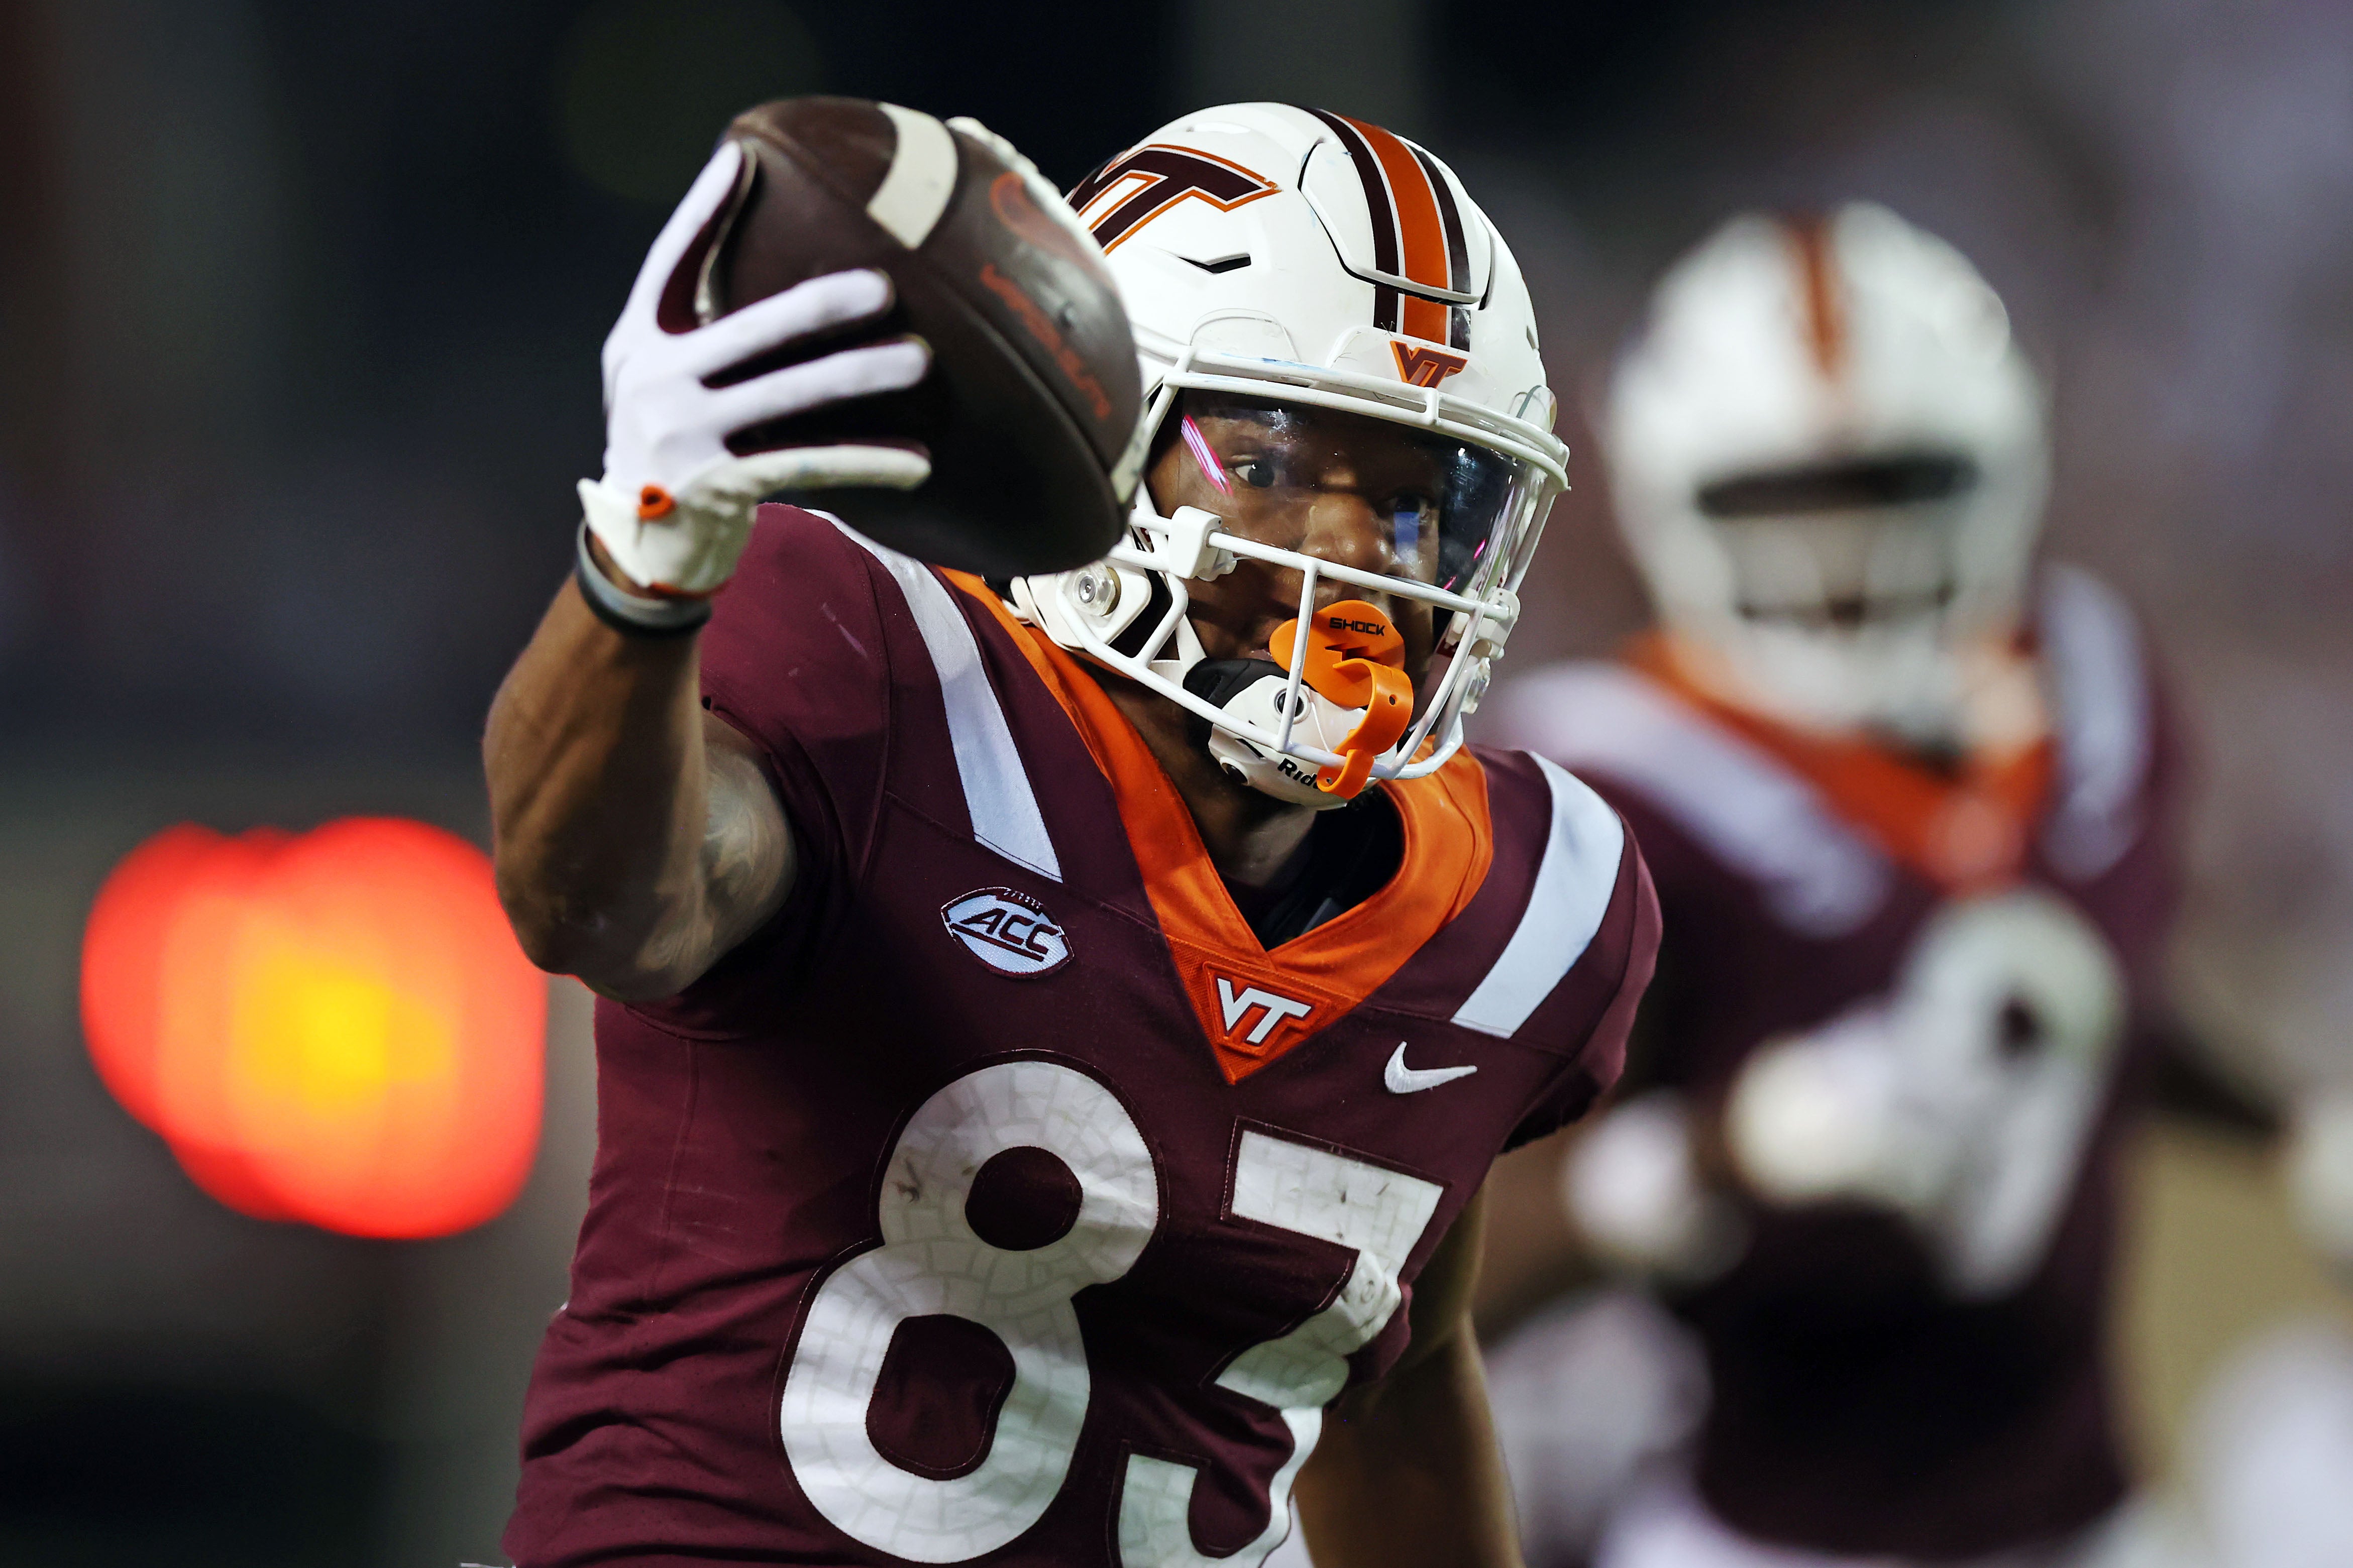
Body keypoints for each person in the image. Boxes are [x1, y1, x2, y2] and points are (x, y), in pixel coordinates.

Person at [483, 102, 1656, 1568]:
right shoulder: (883, 677)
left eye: (1424, 501)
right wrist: (643, 559)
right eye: (1279, 463)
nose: (1359, 551)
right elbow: (598, 907)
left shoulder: (1519, 907)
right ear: (1101, 442)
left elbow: (1398, 1364)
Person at [1479, 205, 2185, 1567]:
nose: (1845, 557)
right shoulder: (1597, 785)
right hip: (1770, 1527)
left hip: (2096, 1510)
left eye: (1894, 489)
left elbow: (2108, 983)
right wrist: (1715, 1156)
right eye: (1785, 502)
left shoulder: (2092, 683)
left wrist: (2289, 1124)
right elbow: (1443, 1247)